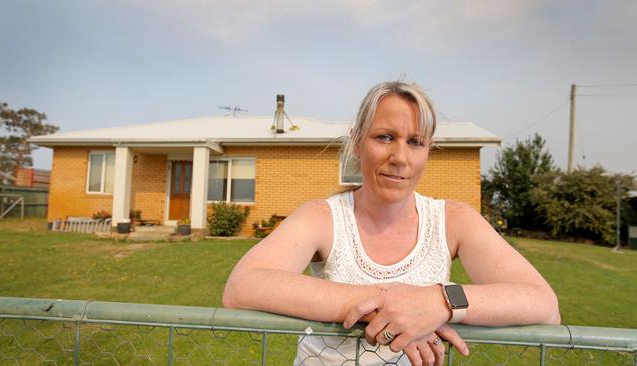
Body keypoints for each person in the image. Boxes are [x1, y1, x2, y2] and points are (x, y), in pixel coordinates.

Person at [223, 81, 560, 366]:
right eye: (385, 137)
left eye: (415, 142)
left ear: (428, 151)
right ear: (357, 142)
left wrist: (439, 302)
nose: (400, 157)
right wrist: (391, 306)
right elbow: (243, 286)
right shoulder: (323, 217)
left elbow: (542, 304)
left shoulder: (453, 220)